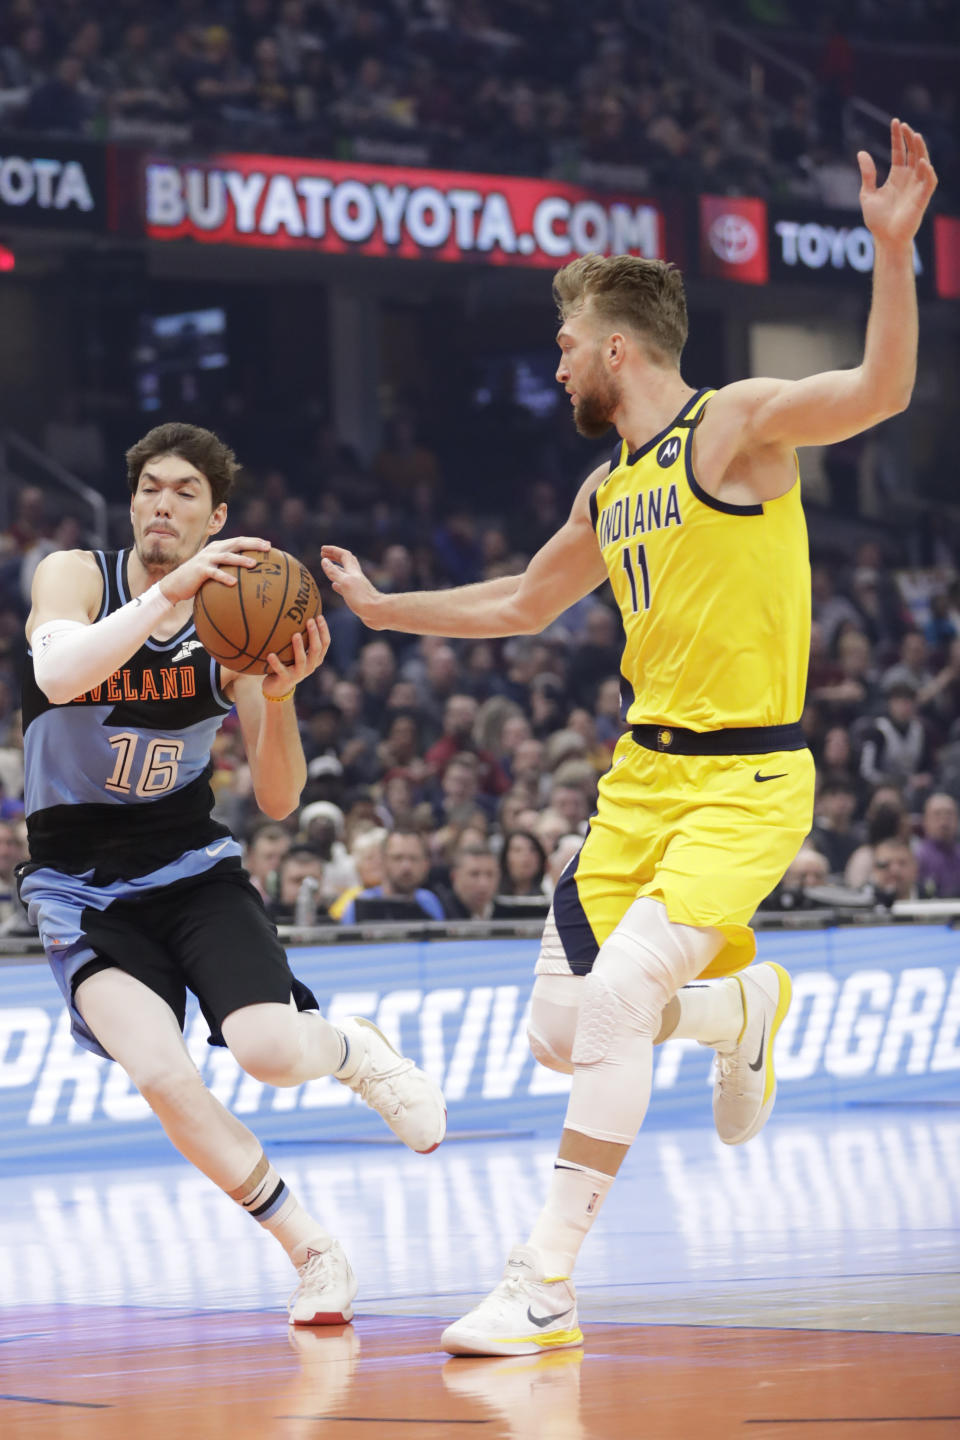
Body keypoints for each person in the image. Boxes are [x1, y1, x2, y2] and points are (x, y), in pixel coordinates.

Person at [322, 120, 937, 1357]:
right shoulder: (607, 490)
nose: (553, 368)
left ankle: (544, 1281)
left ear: (616, 346)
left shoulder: (738, 426)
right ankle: (740, 1012)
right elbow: (521, 602)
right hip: (640, 781)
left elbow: (881, 392)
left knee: (613, 1006)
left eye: (561, 345)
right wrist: (390, 609)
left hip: (747, 775)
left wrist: (891, 254)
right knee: (560, 1032)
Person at [18, 421, 446, 1330]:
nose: (160, 505)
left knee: (270, 1052)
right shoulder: (76, 576)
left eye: (182, 494)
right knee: (165, 1078)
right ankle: (312, 1250)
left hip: (187, 861)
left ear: (217, 517)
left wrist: (279, 695)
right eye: (149, 489)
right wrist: (166, 595)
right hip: (76, 879)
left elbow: (282, 798)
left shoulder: (234, 626)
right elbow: (56, 676)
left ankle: (352, 1050)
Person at [337, 827, 444, 922]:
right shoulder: (360, 905)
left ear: (425, 864)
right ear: (383, 861)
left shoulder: (429, 902)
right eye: (398, 858)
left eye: (413, 858)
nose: (406, 866)